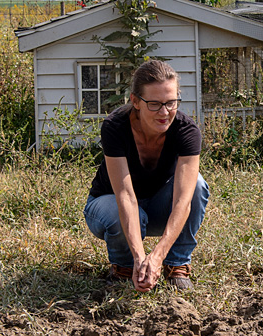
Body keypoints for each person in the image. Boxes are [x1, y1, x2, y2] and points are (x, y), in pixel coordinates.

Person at [84, 59, 210, 291]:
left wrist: (157, 257)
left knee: (198, 185)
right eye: (154, 104)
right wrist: (140, 258)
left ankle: (177, 264)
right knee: (115, 208)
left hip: (157, 208)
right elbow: (125, 195)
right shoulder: (115, 126)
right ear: (135, 101)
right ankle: (123, 265)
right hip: (108, 206)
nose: (164, 112)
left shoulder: (187, 131)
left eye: (171, 103)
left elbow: (183, 201)